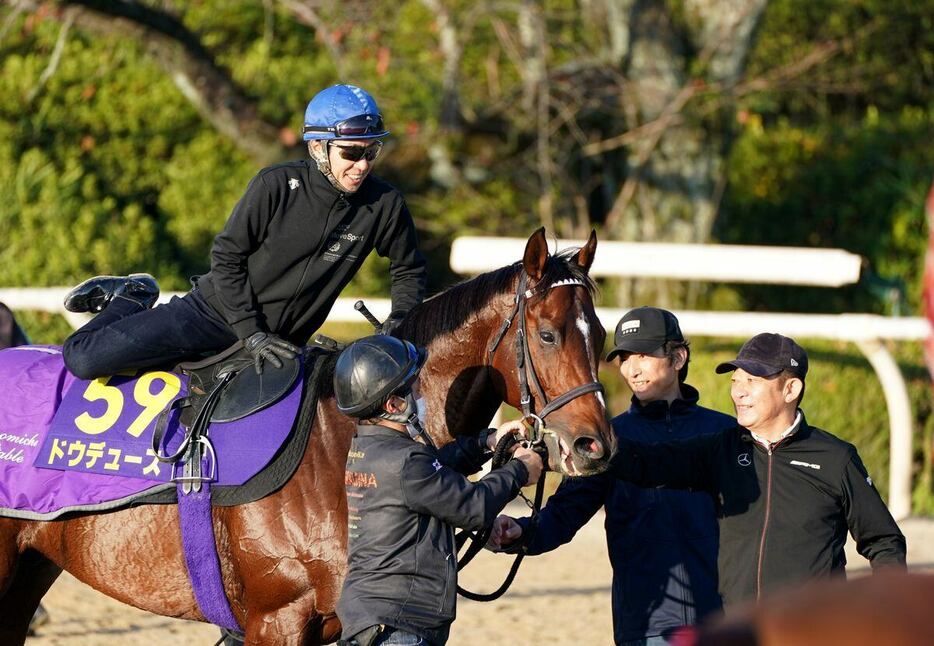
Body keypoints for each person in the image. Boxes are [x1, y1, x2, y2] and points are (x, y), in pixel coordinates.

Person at [61, 84, 426, 379]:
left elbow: (408, 269)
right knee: (84, 362)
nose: (362, 165)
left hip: (284, 344)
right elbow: (226, 258)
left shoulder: (385, 204)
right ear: (318, 146)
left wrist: (400, 320)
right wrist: (251, 332)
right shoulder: (276, 185)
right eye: (351, 153)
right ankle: (133, 295)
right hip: (212, 316)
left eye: (372, 151)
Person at [606, 332, 907, 609]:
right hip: (738, 630)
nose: (739, 393)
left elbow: (883, 541)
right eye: (736, 381)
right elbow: (648, 463)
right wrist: (597, 446)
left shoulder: (835, 458)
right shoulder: (720, 449)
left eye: (752, 381)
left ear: (791, 389)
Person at [488, 307, 732, 645]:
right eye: (625, 358)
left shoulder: (728, 432)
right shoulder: (605, 440)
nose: (632, 369)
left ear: (678, 357)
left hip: (729, 621)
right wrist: (518, 532)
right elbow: (563, 515)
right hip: (646, 624)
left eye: (644, 355)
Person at [333, 335, 544, 646]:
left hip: (378, 618)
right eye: (416, 389)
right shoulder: (405, 461)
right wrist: (520, 470)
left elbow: (436, 472)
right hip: (400, 626)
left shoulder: (371, 450)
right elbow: (474, 507)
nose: (422, 395)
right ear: (395, 405)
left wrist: (486, 441)